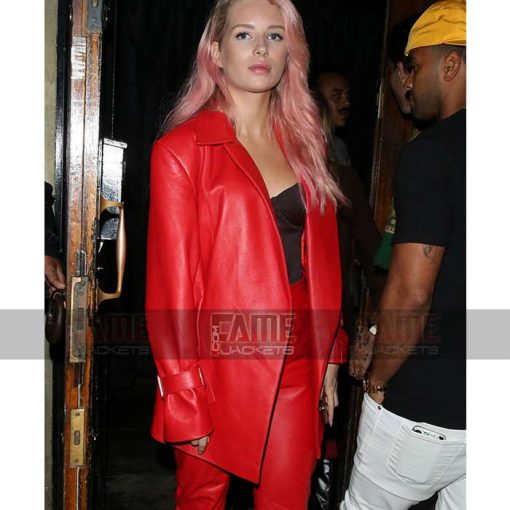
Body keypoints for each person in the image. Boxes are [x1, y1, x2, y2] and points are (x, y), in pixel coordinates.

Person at [145, 0, 347, 508]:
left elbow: (322, 261)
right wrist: (184, 395)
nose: (261, 48)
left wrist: (331, 351)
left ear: (290, 52)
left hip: (298, 360)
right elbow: (171, 291)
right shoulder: (182, 151)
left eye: (275, 36)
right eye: (243, 35)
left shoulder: (306, 145)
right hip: (217, 368)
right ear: (215, 51)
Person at [341, 1, 466, 508]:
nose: (409, 82)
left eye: (415, 65)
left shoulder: (433, 152)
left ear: (451, 64)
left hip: (425, 407)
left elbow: (412, 294)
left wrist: (378, 377)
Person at [314, 71, 351, 166]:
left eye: (347, 96)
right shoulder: (305, 145)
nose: (347, 103)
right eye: (337, 96)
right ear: (317, 101)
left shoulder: (339, 146)